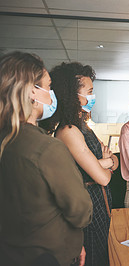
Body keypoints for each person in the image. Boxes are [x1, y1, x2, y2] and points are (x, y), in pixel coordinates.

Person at [0, 51, 92, 266]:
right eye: (49, 87)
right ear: (33, 92)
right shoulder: (47, 148)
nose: (52, 94)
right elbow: (81, 212)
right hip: (48, 257)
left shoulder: (8, 140)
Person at [40, 62, 118, 266]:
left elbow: (113, 161)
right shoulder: (68, 131)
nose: (93, 97)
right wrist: (106, 162)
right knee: (94, 258)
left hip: (100, 203)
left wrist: (104, 161)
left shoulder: (84, 127)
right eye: (89, 92)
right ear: (71, 95)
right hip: (88, 209)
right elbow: (104, 176)